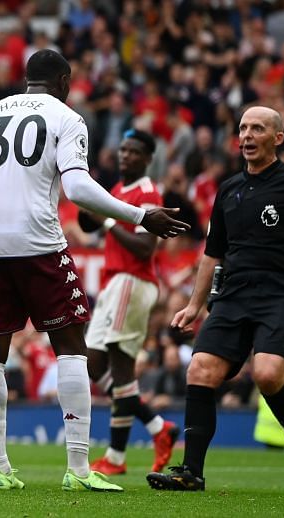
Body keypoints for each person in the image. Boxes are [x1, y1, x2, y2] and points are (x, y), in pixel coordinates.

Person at [0, 49, 188, 492]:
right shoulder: (67, 118)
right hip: (39, 244)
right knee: (72, 349)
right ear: (65, 80)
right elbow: (75, 187)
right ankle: (77, 468)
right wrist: (139, 215)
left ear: (25, 80)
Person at [147, 106, 284, 495]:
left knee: (267, 375)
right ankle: (191, 472)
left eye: (257, 129)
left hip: (282, 294)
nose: (246, 135)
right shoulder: (229, 189)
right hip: (233, 296)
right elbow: (212, 253)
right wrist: (194, 306)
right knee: (200, 370)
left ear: (277, 138)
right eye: (243, 128)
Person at [79, 129, 179, 476]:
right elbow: (88, 222)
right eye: (123, 149)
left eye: (134, 151)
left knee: (120, 368)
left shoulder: (148, 193)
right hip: (115, 283)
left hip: (132, 280)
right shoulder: (118, 191)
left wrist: (105, 220)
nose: (126, 156)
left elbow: (144, 247)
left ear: (148, 158)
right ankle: (155, 427)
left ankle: (116, 458)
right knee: (93, 364)